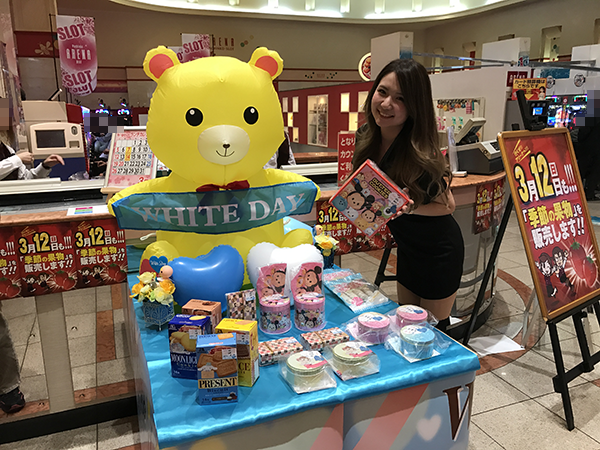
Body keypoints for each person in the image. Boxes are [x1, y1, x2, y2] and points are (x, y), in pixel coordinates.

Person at [352, 58, 464, 333]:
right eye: (382, 92)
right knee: (407, 327)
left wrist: (408, 208)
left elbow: (448, 205)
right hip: (408, 249)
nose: (386, 103)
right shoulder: (366, 135)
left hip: (439, 251)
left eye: (400, 98)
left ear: (414, 106)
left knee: (434, 332)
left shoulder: (419, 151)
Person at [0, 141, 64, 181]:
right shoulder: (15, 158)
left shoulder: (8, 150)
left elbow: (26, 178)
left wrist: (45, 166)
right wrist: (18, 159)